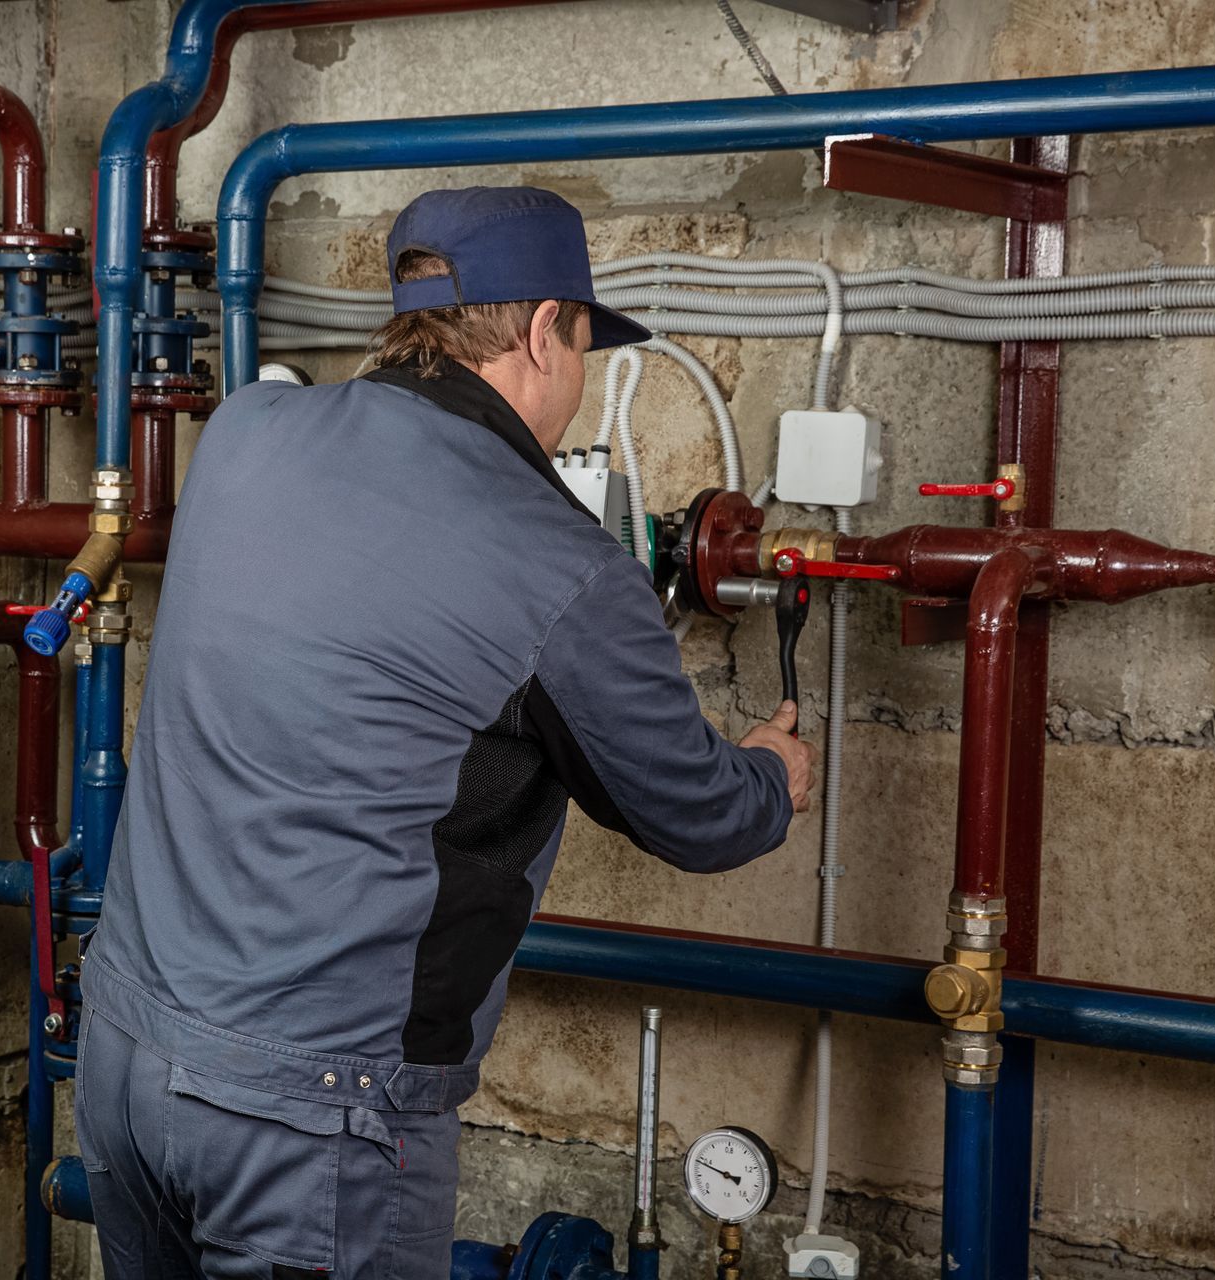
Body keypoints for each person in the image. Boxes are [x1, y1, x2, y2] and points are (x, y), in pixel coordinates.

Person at [77, 185, 816, 1280]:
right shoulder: (560, 562)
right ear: (538, 333)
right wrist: (771, 771)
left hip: (125, 1054)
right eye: (581, 340)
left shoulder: (241, 435)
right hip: (311, 1121)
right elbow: (697, 813)